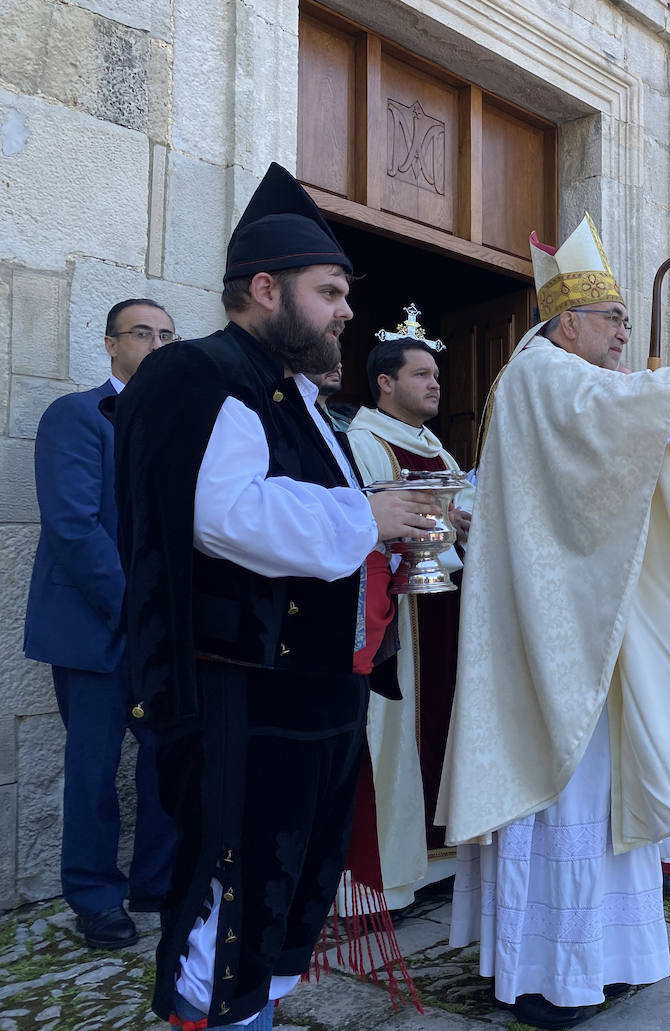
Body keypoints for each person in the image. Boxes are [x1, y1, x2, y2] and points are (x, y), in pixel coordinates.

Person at [436, 214, 670, 1030]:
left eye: (628, 316)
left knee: (598, 795)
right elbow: (622, 416)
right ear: (567, 322)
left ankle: (611, 957)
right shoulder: (539, 375)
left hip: (585, 624)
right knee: (564, 790)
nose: (625, 329)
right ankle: (547, 977)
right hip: (551, 635)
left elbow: (625, 435)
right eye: (615, 317)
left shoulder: (566, 381)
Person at [113, 162, 440, 1029]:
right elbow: (222, 515)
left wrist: (383, 536)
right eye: (330, 292)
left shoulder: (293, 394)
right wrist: (366, 515)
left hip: (306, 700)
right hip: (240, 697)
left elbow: (323, 533)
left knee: (282, 897)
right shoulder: (199, 372)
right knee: (232, 902)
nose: (345, 312)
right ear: (266, 287)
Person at [24, 298, 179, 949]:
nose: (156, 343)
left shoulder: (177, 427)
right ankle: (93, 895)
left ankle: (158, 882)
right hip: (96, 629)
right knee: (93, 767)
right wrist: (138, 613)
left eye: (168, 335)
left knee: (168, 758)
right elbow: (73, 527)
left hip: (162, 632)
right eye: (142, 333)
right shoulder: (76, 415)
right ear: (110, 344)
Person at [346, 326, 471, 911]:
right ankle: (388, 880)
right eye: (422, 375)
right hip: (399, 617)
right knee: (391, 740)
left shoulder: (435, 445)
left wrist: (463, 523)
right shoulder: (364, 440)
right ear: (385, 382)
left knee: (443, 731)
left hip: (444, 606)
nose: (434, 385)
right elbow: (364, 525)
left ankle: (437, 863)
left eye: (437, 376)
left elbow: (457, 506)